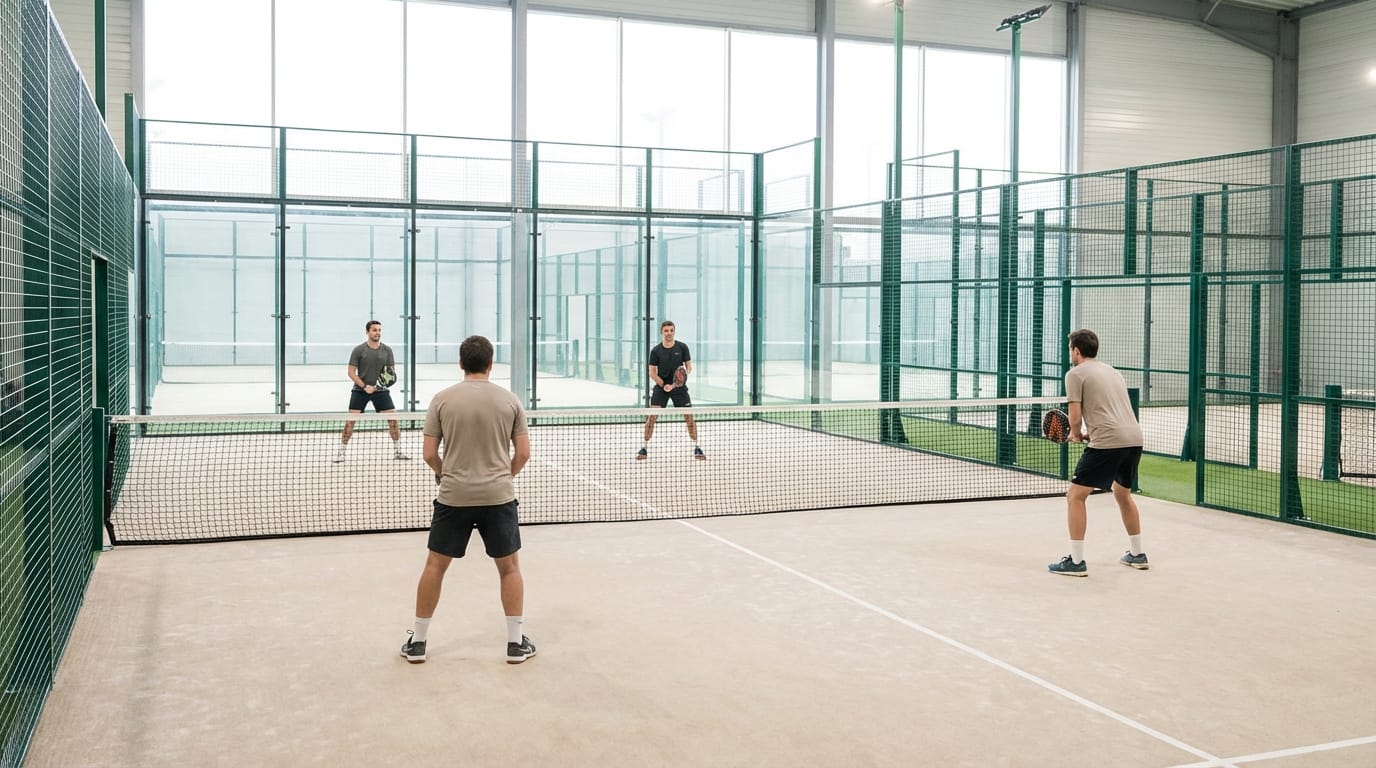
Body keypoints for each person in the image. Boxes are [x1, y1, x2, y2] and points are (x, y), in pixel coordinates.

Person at [400, 334, 535, 665]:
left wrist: (446, 474)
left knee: (435, 566)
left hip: (453, 497)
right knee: (509, 568)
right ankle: (515, 645)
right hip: (498, 497)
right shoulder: (510, 401)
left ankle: (417, 643)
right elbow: (524, 454)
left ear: (461, 363)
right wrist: (502, 478)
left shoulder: (442, 400)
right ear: (490, 364)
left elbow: (429, 454)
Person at [1048, 329, 1149, 577]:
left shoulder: (1075, 374)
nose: (1070, 352)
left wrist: (1075, 432)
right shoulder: (1112, 371)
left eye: (1070, 348)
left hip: (1108, 441)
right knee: (1122, 493)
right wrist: (1089, 433)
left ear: (1076, 350)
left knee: (1075, 496)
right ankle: (1137, 555)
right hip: (1134, 438)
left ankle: (1076, 561)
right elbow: (1113, 410)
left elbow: (1075, 414)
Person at [333, 320, 409, 462]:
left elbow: (390, 372)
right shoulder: (359, 350)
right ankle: (341, 453)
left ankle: (398, 451)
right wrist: (364, 387)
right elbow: (351, 372)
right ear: (367, 332)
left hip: (380, 391)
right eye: (374, 330)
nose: (377, 333)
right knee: (350, 422)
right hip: (360, 390)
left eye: (379, 330)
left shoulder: (387, 350)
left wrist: (380, 384)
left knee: (393, 421)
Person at [637, 320, 704, 461]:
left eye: (671, 330)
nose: (669, 333)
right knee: (651, 418)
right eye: (666, 331)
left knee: (689, 417)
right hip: (661, 389)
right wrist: (663, 385)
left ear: (674, 331)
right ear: (662, 332)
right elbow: (652, 372)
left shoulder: (682, 347)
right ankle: (644, 447)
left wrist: (681, 377)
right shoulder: (656, 351)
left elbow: (689, 367)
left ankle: (697, 447)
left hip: (679, 389)